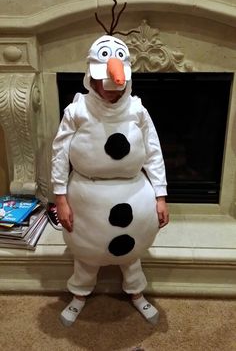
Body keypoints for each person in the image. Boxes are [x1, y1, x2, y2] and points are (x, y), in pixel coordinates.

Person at [51, 35, 169, 327]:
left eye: (117, 85)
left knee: (132, 255)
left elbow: (153, 151)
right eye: (104, 82)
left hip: (133, 192)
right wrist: (60, 197)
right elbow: (59, 153)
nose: (111, 91)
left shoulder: (138, 110)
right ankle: (79, 294)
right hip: (88, 196)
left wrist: (160, 195)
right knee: (86, 254)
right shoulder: (77, 111)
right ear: (92, 77)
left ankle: (136, 292)